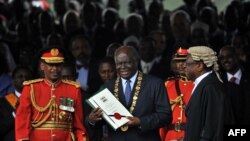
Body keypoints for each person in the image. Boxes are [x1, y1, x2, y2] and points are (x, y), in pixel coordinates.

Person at [86, 45, 172, 141]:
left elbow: (166, 116)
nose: (122, 67)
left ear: (136, 61)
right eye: (119, 63)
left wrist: (140, 121)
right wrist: (92, 120)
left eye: (127, 62)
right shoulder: (107, 87)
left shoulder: (155, 84)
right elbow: (99, 122)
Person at [15, 47, 88, 141]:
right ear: (42, 66)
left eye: (58, 65)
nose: (55, 68)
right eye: (51, 65)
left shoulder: (73, 89)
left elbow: (78, 125)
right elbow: (22, 120)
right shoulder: (31, 88)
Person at [183, 46, 225, 141]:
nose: (183, 66)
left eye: (188, 64)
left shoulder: (211, 87)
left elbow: (212, 128)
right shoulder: (203, 84)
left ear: (200, 66)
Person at [160, 48, 194, 141]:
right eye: (178, 61)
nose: (180, 64)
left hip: (190, 135)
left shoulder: (198, 85)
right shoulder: (168, 85)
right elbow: (162, 118)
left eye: (184, 61)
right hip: (170, 136)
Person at [0, 66, 33, 141]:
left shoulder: (38, 100)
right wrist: (15, 115)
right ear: (13, 81)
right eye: (20, 77)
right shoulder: (3, 102)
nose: (24, 79)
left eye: (27, 77)